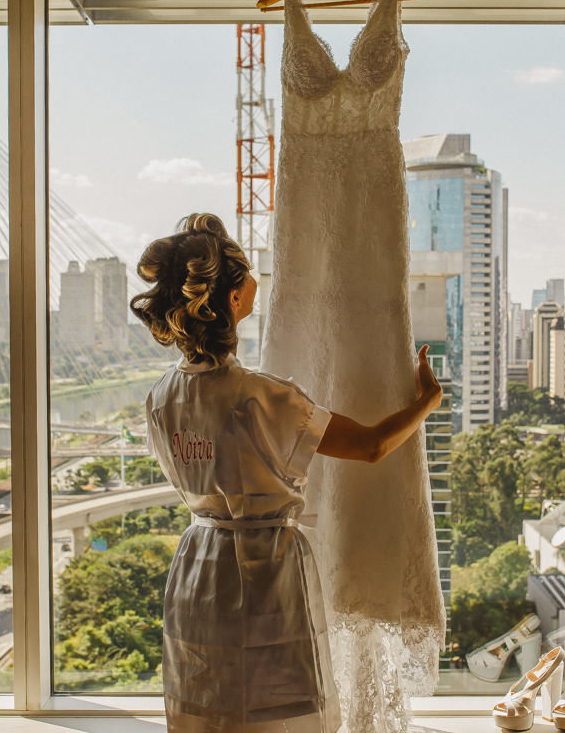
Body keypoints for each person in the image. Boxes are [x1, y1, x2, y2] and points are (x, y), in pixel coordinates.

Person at [132, 213, 442, 733]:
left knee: (211, 707)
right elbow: (370, 445)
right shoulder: (260, 396)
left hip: (198, 563)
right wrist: (426, 402)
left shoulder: (161, 395)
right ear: (231, 299)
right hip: (263, 568)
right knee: (277, 711)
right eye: (247, 272)